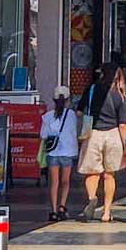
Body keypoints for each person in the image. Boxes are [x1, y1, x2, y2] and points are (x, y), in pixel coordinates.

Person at [78, 63, 126, 223]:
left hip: (93, 134)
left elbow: (79, 111)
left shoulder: (91, 89)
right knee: (109, 174)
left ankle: (92, 198)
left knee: (92, 172)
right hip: (113, 134)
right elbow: (122, 124)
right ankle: (106, 212)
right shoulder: (120, 95)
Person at [40, 86, 78, 221]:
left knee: (54, 182)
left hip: (52, 152)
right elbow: (74, 133)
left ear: (54, 100)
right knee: (65, 181)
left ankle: (53, 211)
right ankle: (62, 206)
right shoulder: (72, 115)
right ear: (68, 100)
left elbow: (43, 135)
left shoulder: (48, 116)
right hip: (67, 152)